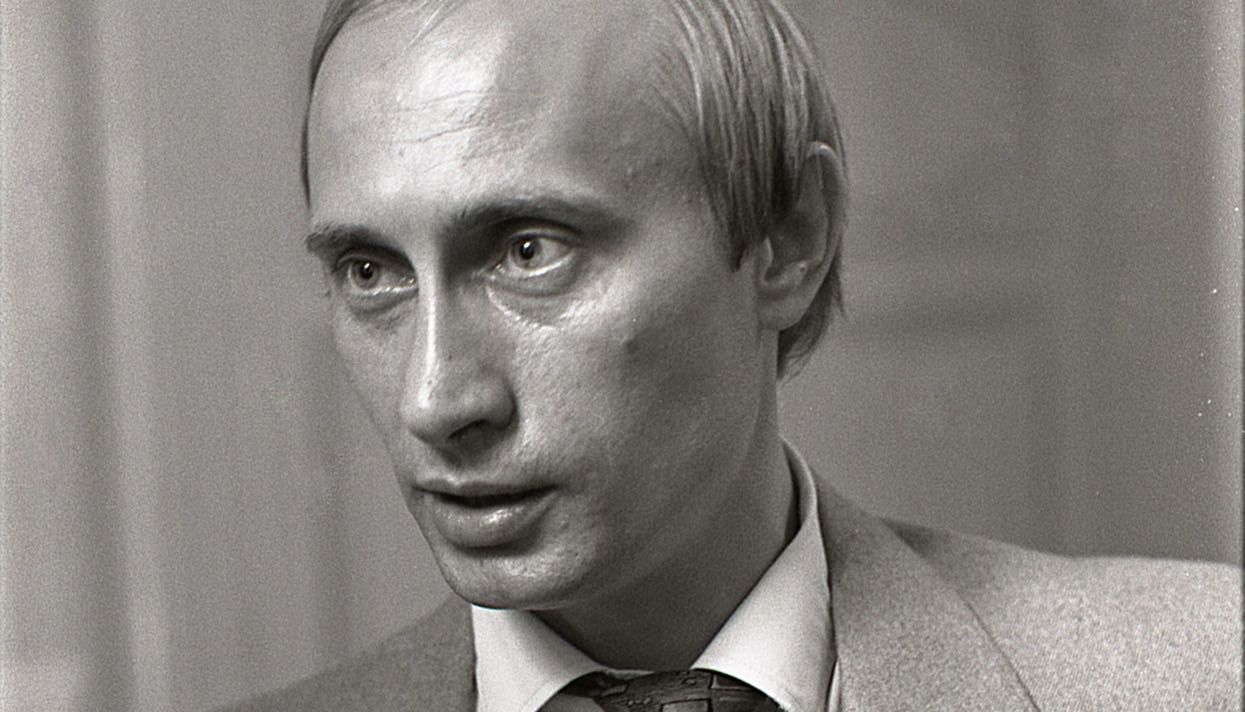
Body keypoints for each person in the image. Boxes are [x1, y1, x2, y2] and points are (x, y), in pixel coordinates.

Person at [230, 0, 1241, 709]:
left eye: (530, 251)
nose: (436, 398)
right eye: (370, 272)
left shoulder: (1201, 675)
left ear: (789, 238)